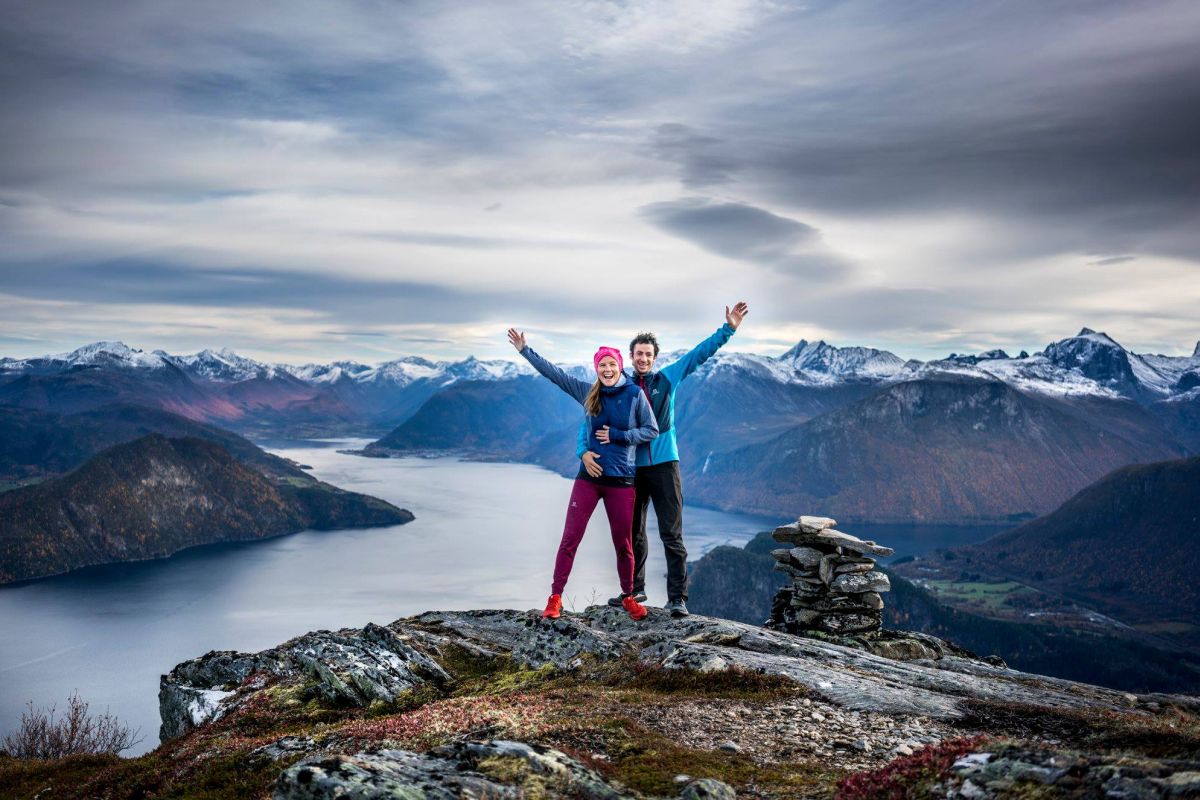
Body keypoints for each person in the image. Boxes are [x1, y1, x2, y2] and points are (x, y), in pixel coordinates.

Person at [581, 302, 749, 617]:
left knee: (671, 533)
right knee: (632, 532)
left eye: (648, 354)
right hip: (631, 469)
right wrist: (584, 451)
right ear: (630, 358)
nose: (643, 358)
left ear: (654, 358)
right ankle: (634, 590)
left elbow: (700, 354)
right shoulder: (622, 387)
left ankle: (678, 598)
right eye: (638, 354)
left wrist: (728, 329)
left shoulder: (668, 379)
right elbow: (591, 420)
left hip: (664, 467)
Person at [506, 330, 659, 621]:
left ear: (619, 366)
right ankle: (555, 598)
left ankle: (628, 596)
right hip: (587, 480)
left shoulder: (634, 395)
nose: (608, 369)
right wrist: (525, 350)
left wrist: (618, 435)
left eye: (612, 364)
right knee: (570, 539)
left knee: (623, 544)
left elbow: (651, 430)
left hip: (621, 481)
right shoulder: (589, 393)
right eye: (602, 365)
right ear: (597, 368)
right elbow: (556, 375)